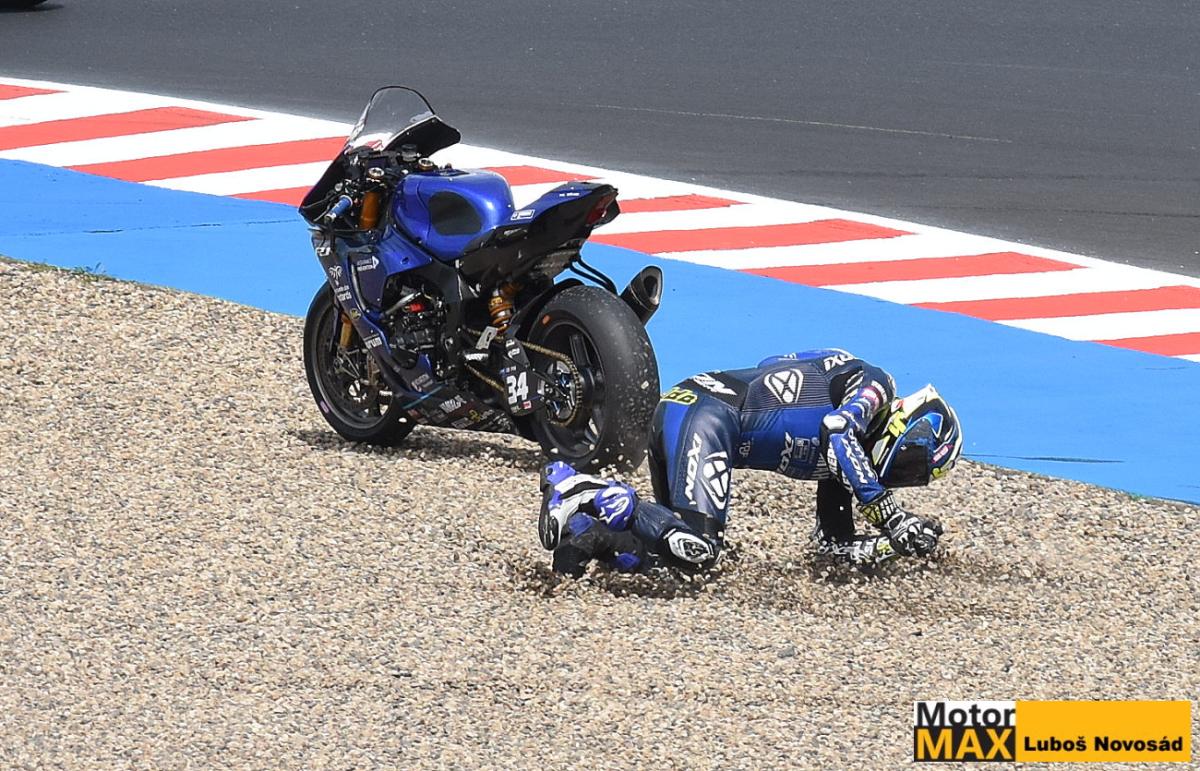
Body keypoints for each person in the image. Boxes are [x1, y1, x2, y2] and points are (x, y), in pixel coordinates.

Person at [538, 348, 962, 576]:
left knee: (674, 559)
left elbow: (834, 548)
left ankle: (587, 535)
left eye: (915, 478)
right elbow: (836, 429)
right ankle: (581, 488)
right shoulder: (877, 386)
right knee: (701, 549)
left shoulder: (841, 468)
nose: (902, 476)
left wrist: (895, 546)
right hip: (708, 416)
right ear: (906, 425)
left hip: (695, 413)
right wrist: (891, 518)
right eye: (912, 463)